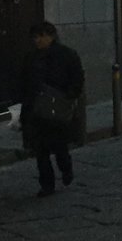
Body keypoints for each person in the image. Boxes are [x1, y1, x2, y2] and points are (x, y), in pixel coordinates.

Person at [20, 21, 85, 198]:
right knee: (40, 150)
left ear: (51, 35)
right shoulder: (31, 58)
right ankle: (46, 184)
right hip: (36, 110)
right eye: (35, 37)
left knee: (59, 147)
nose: (38, 40)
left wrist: (68, 97)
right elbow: (24, 82)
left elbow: (77, 78)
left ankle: (66, 169)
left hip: (58, 109)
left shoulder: (67, 55)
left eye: (41, 36)